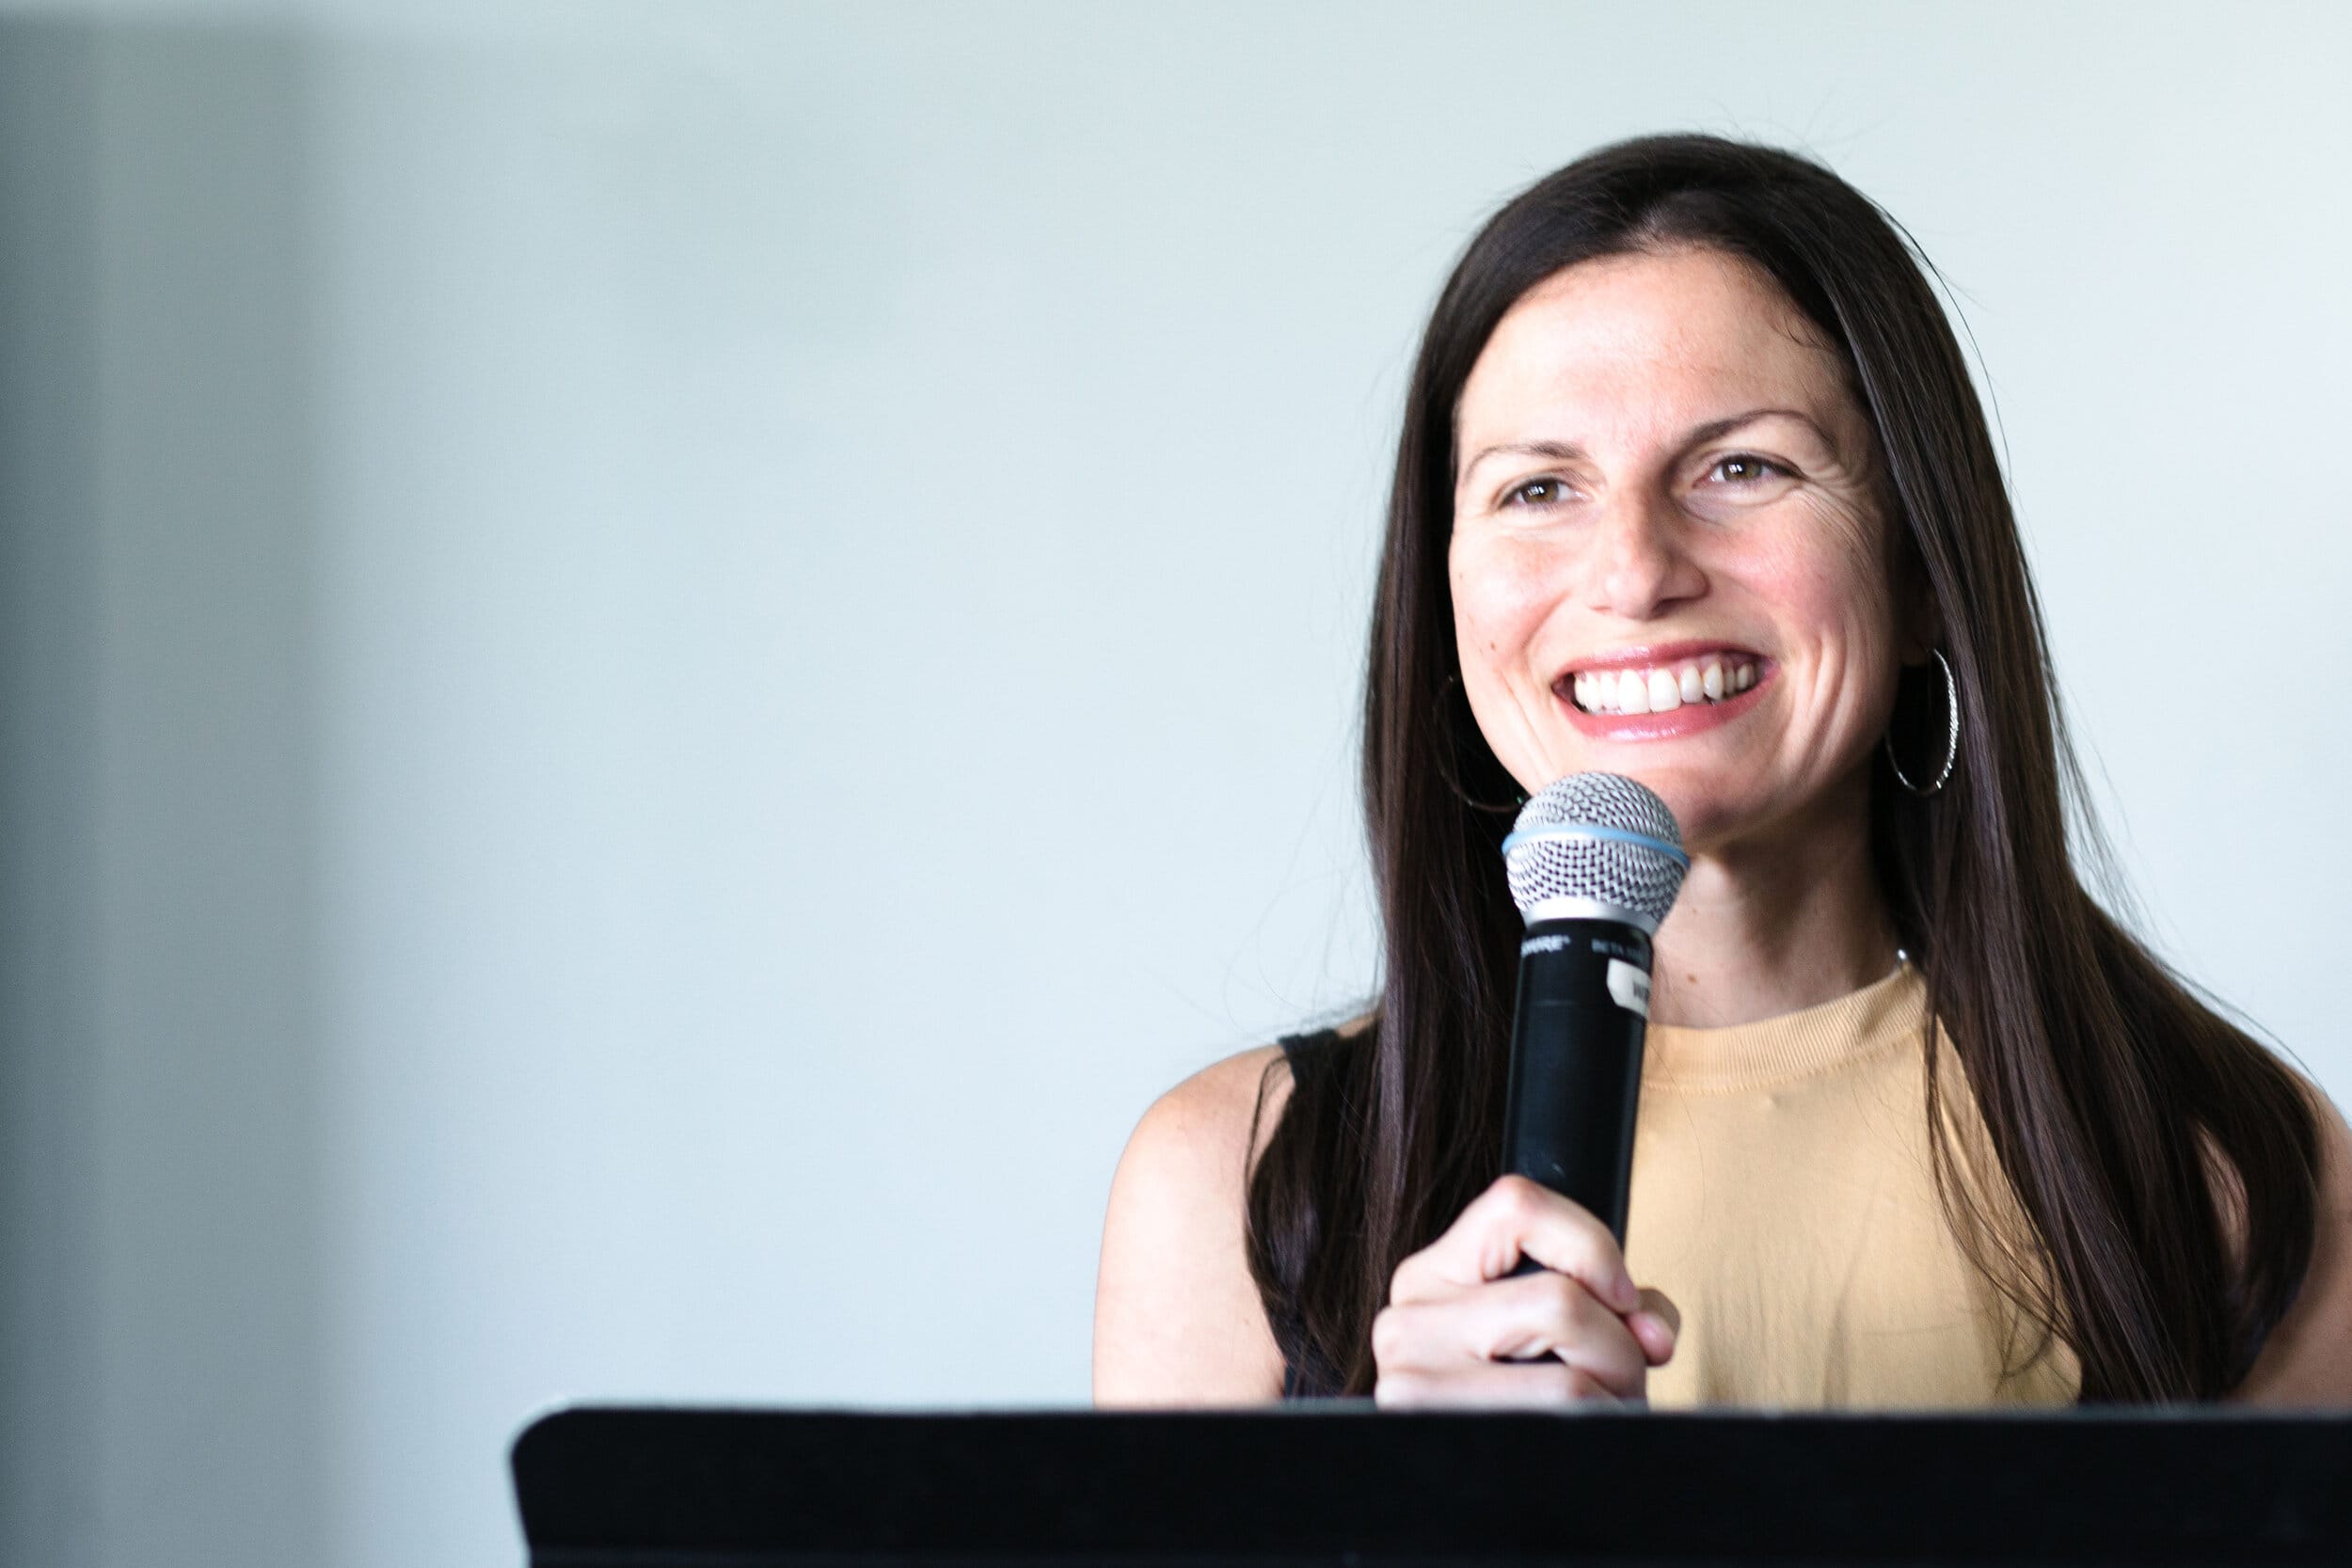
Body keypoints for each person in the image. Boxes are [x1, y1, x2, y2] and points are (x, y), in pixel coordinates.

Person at [1090, 134, 2352, 1410]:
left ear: (1921, 568)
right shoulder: (1225, 1186)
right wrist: (1421, 1495)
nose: (1635, 572)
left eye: (1742, 468)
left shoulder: (2240, 1172)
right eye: (1539, 489)